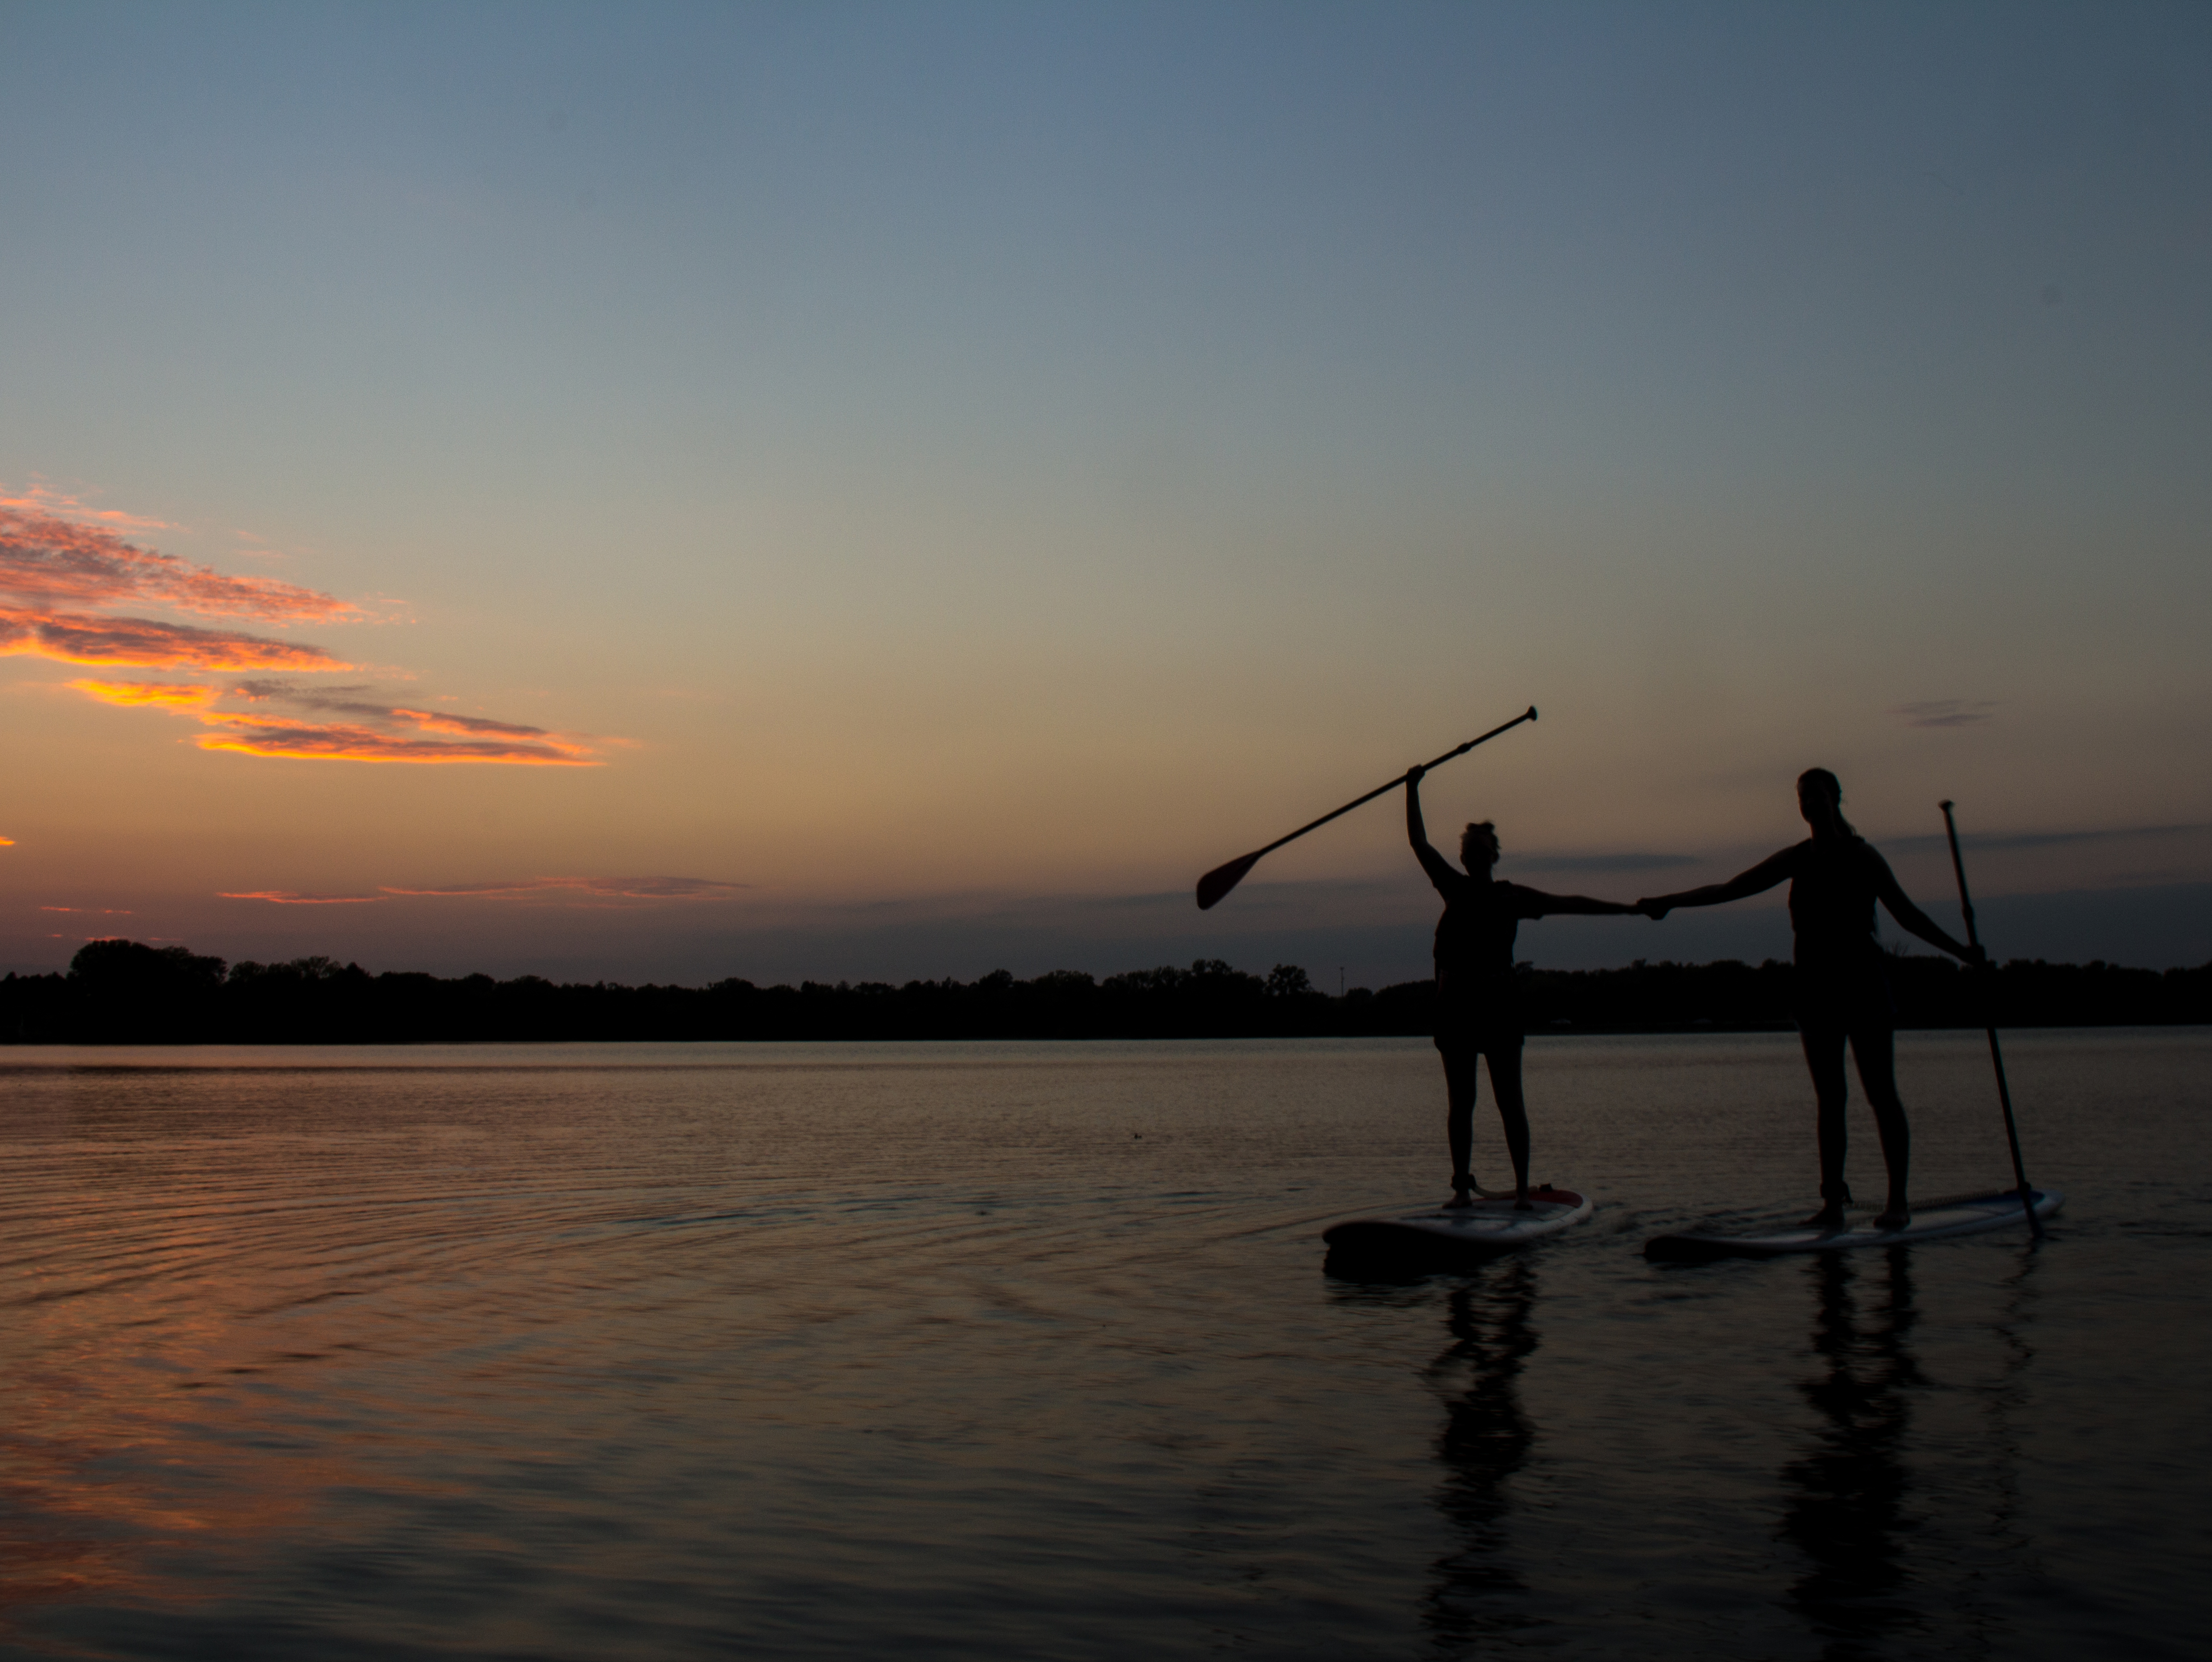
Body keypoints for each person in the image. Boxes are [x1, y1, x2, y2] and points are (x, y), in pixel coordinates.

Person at [1637, 768, 1983, 1231]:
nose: (1809, 805)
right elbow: (1730, 888)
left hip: (1863, 986)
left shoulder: (1864, 857)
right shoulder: (1796, 859)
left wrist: (1962, 952)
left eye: (1816, 796)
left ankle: (1896, 1201)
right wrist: (1669, 900)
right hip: (1814, 991)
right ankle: (1832, 1204)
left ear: (1836, 798)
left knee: (1881, 1094)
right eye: (1802, 798)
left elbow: (1908, 916)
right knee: (1830, 1099)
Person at [1405, 764, 1637, 1209]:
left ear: (1494, 856)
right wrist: (1412, 789)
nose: (1475, 848)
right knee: (1462, 1104)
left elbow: (1571, 905)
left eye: (1484, 845)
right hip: (1455, 1007)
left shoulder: (1512, 898)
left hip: (1499, 1006)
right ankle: (1459, 1192)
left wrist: (1629, 909)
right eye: (1469, 844)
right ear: (1464, 857)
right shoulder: (1451, 887)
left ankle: (1523, 1192)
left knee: (1510, 1102)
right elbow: (1418, 842)